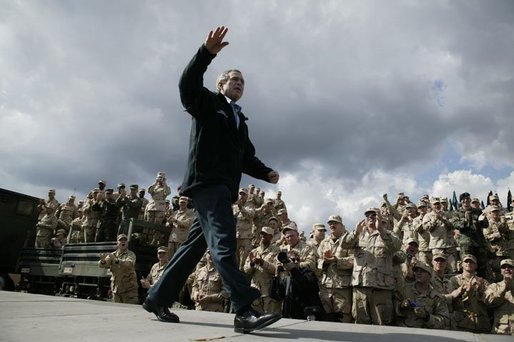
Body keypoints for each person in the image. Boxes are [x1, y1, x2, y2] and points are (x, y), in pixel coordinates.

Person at [142, 27, 281, 334]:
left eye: (243, 81)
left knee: (193, 247)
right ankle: (244, 309)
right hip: (208, 185)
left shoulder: (239, 120)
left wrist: (265, 172)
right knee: (224, 242)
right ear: (220, 84)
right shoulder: (207, 104)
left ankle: (156, 297)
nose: (240, 84)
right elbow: (187, 83)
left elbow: (246, 157)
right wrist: (206, 53)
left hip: (223, 190)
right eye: (234, 79)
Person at [342, 208, 401, 325]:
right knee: (360, 323)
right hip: (361, 287)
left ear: (379, 218)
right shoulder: (359, 234)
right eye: (368, 215)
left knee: (382, 324)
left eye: (374, 215)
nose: (370, 217)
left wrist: (381, 230)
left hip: (381, 288)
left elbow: (396, 246)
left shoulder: (388, 234)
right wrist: (355, 232)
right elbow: (344, 245)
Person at [269, 250, 325, 320]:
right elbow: (275, 295)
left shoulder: (307, 273)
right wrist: (276, 276)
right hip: (291, 318)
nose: (295, 262)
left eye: (297, 260)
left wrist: (293, 270)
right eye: (290, 260)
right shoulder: (287, 278)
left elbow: (306, 287)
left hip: (307, 317)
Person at [318, 215, 354, 322]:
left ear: (341, 225)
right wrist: (324, 261)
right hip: (326, 286)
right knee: (326, 317)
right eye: (330, 224)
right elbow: (318, 261)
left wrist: (337, 260)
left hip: (342, 287)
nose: (332, 225)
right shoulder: (324, 242)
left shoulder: (348, 240)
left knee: (344, 317)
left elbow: (354, 261)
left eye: (335, 223)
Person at [396, 262, 449, 329]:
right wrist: (401, 306)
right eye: (416, 271)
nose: (418, 273)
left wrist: (426, 316)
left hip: (425, 334)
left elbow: (444, 321)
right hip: (404, 331)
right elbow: (391, 312)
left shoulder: (437, 297)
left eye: (422, 271)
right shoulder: (404, 290)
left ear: (429, 276)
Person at [243, 226, 281, 314]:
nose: (263, 236)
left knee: (270, 318)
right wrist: (252, 264)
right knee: (255, 317)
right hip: (255, 290)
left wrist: (262, 263)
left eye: (266, 235)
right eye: (262, 234)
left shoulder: (277, 251)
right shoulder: (254, 251)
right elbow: (246, 270)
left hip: (269, 291)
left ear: (271, 237)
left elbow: (276, 270)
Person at [99, 234, 139, 304]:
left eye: (125, 240)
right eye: (121, 240)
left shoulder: (131, 254)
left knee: (130, 310)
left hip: (128, 290)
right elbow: (103, 265)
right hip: (116, 290)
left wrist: (117, 260)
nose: (123, 242)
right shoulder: (113, 254)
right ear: (117, 243)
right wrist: (102, 261)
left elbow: (129, 264)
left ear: (127, 243)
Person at [484, 258, 514, 335]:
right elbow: (489, 303)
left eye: (510, 267)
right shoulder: (494, 286)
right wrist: (504, 288)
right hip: (500, 329)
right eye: (504, 267)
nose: (507, 269)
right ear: (501, 271)